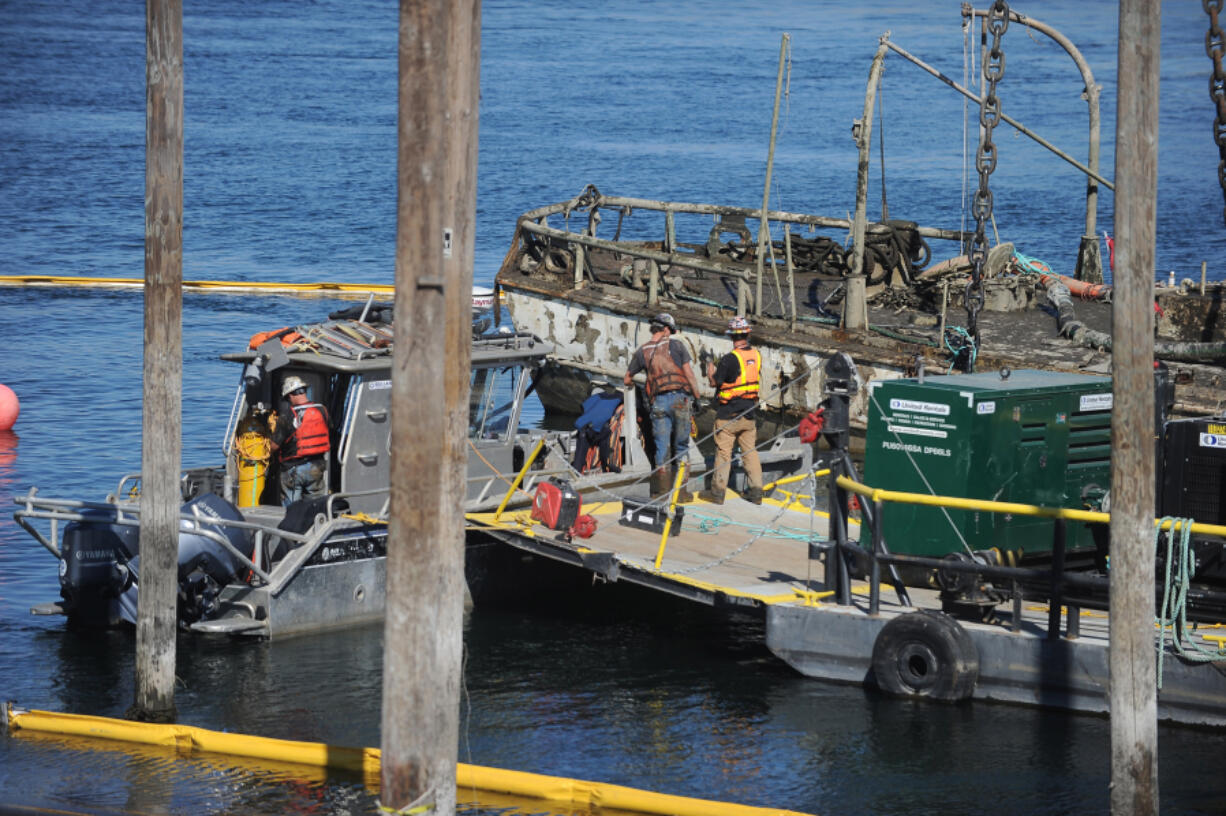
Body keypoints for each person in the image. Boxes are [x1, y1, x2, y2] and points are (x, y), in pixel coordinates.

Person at [623, 313, 702, 499]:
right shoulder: (677, 345)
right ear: (666, 329)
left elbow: (627, 379)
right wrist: (697, 398)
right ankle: (681, 493)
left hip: (658, 402)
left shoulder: (642, 351)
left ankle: (663, 492)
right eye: (671, 330)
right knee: (681, 446)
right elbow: (689, 374)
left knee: (662, 448)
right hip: (680, 400)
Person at [699, 316, 763, 505]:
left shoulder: (729, 359)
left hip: (728, 415)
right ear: (747, 334)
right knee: (750, 452)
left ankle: (717, 494)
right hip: (749, 414)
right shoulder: (756, 355)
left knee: (724, 453)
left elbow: (714, 382)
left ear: (731, 337)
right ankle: (756, 493)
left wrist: (709, 364)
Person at [270, 375, 331, 506]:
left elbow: (274, 446)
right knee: (316, 506)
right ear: (303, 391)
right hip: (316, 467)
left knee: (292, 509)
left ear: (290, 395)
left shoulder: (287, 416)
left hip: (294, 469)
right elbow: (329, 430)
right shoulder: (322, 410)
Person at [572, 380, 623, 473]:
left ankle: (576, 472)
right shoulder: (617, 399)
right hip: (599, 431)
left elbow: (584, 411)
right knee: (606, 437)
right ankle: (606, 467)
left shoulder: (592, 400)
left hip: (584, 430)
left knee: (579, 458)